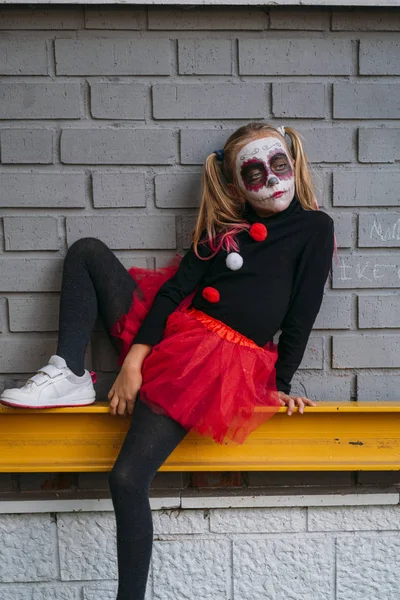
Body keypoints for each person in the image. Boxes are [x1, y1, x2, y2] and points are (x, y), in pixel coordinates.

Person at [0, 122, 335, 600]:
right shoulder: (222, 230)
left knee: (127, 477)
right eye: (254, 171)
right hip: (169, 333)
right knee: (87, 253)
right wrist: (134, 363)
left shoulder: (314, 228)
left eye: (278, 164)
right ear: (236, 182)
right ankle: (70, 371)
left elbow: (303, 313)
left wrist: (279, 381)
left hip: (207, 364)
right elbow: (175, 291)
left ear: (293, 162)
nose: (271, 179)